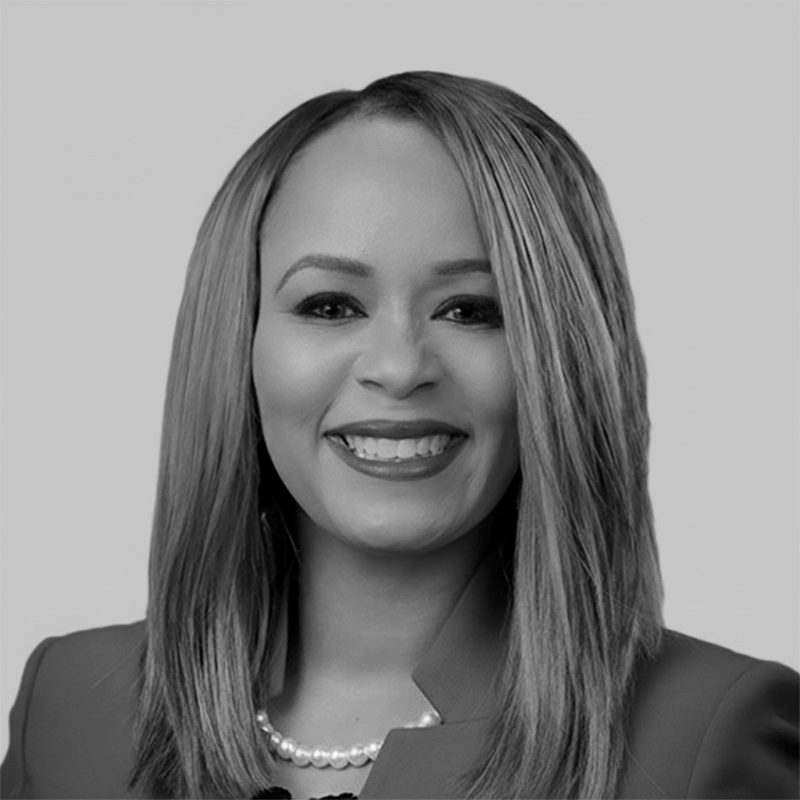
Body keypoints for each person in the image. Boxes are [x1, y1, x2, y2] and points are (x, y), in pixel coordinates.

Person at [1, 71, 798, 800]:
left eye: (471, 310)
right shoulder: (69, 709)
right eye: (329, 306)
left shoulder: (705, 731)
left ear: (561, 363)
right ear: (238, 345)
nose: (397, 366)